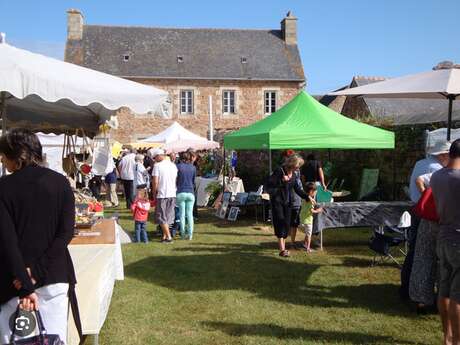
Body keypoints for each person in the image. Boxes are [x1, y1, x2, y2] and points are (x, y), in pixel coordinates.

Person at [0, 129, 77, 343]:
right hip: (51, 275)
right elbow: (65, 233)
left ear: (15, 156)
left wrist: (26, 281)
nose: (2, 159)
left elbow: (7, 242)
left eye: (4, 155)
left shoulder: (3, 188)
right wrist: (32, 276)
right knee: (53, 339)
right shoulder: (60, 182)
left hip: (13, 279)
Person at [400, 141, 451, 300]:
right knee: (430, 256)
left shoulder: (420, 162)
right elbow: (421, 182)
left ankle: (409, 289)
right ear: (443, 154)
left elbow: (417, 180)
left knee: (417, 252)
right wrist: (429, 198)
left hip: (418, 210)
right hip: (431, 215)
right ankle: (426, 295)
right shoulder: (437, 168)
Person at [431, 139, 460, 345]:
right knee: (458, 295)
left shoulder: (436, 176)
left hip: (443, 235)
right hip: (458, 237)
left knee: (444, 288)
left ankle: (447, 337)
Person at [266, 154, 309, 257]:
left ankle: (283, 248)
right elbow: (268, 185)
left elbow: (297, 189)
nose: (298, 168)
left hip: (288, 203)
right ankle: (282, 250)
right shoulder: (279, 171)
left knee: (286, 224)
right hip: (277, 202)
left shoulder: (294, 175)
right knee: (280, 222)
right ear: (292, 164)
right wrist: (282, 181)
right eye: (297, 166)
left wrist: (307, 197)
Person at [151, 148, 178, 243]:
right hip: (172, 193)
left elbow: (155, 181)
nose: (154, 159)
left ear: (159, 156)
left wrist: (154, 193)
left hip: (162, 194)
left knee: (161, 217)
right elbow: (175, 180)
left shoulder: (157, 166)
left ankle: (169, 237)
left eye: (155, 157)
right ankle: (164, 236)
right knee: (168, 217)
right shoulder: (173, 165)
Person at [176, 151, 197, 240]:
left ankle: (183, 234)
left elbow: (176, 179)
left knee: (182, 214)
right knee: (190, 215)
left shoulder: (178, 167)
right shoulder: (193, 167)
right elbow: (193, 181)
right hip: (190, 191)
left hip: (181, 191)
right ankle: (190, 235)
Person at [299, 182, 323, 253]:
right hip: (308, 220)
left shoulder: (303, 198)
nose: (315, 193)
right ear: (311, 191)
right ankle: (308, 248)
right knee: (309, 235)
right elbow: (312, 211)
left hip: (302, 219)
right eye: (315, 191)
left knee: (307, 233)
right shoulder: (311, 201)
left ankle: (305, 244)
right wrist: (318, 210)